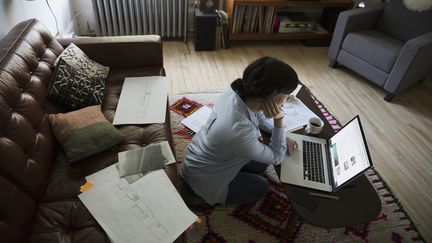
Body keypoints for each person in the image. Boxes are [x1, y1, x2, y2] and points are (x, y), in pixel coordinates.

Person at [180, 56, 299, 206]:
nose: (288, 99)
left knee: (261, 165)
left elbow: (258, 116)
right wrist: (279, 122)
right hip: (204, 181)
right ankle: (200, 198)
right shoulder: (240, 132)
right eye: (287, 95)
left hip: (201, 156)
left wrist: (279, 134)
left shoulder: (236, 89)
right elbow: (276, 156)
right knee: (261, 186)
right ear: (271, 95)